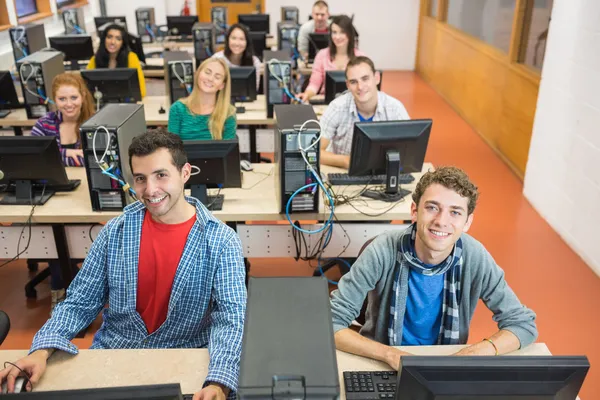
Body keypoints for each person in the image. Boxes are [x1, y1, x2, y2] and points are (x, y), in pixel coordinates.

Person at [0, 129, 247, 399]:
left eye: (161, 175)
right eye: (140, 179)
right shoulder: (116, 231)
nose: (150, 190)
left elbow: (229, 318)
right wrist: (41, 350)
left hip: (183, 360)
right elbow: (80, 302)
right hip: (116, 356)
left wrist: (218, 382)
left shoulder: (221, 240)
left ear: (185, 173)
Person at [330, 167, 538, 370]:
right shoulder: (382, 250)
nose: (441, 221)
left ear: (467, 222)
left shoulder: (475, 256)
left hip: (446, 366)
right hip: (382, 363)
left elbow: (523, 325)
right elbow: (331, 322)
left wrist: (474, 352)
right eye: (432, 208)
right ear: (414, 211)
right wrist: (389, 354)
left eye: (455, 212)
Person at [30, 72, 96, 312]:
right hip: (54, 193)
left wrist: (61, 155)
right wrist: (74, 155)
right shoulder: (45, 123)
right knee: (54, 230)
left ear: (83, 96)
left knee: (62, 235)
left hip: (84, 195)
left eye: (73, 97)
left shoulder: (95, 122)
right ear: (53, 100)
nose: (68, 104)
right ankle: (63, 291)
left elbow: (97, 158)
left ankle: (67, 290)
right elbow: (34, 157)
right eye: (62, 98)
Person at [319, 56, 410, 169]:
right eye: (353, 82)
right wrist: (345, 161)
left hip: (384, 174)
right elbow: (316, 152)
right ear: (347, 85)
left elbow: (409, 153)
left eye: (365, 79)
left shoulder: (395, 109)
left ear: (376, 78)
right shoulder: (337, 107)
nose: (360, 87)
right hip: (344, 174)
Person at [298, 15, 364, 103]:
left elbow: (364, 86)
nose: (337, 36)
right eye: (334, 32)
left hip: (353, 104)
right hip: (327, 104)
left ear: (350, 34)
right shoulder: (322, 55)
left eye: (342, 32)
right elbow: (314, 84)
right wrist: (307, 94)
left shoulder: (360, 57)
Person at [168, 58, 237, 141]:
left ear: (222, 85)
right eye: (207, 72)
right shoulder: (177, 109)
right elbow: (171, 149)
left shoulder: (228, 113)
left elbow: (228, 151)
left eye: (217, 77)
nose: (210, 79)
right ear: (197, 74)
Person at [87, 23, 146, 98]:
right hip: (100, 103)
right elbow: (85, 89)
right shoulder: (95, 59)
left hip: (125, 104)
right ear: (104, 39)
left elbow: (141, 91)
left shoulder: (131, 58)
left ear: (123, 42)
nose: (112, 42)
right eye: (109, 37)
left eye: (118, 39)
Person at [212, 23, 262, 90]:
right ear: (228, 40)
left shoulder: (255, 62)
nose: (237, 43)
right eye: (233, 38)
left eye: (241, 39)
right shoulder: (217, 59)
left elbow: (254, 89)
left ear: (247, 42)